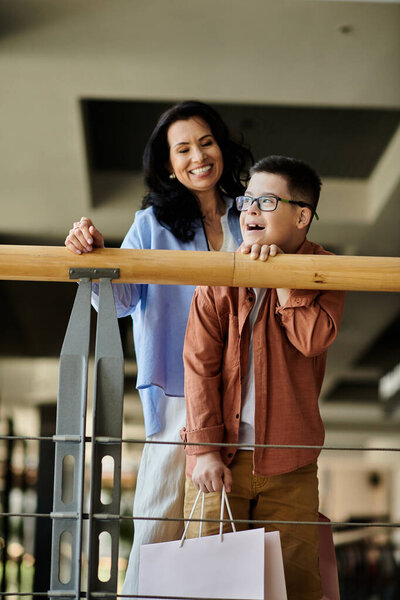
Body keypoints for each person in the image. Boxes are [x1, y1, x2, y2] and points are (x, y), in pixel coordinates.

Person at [64, 100, 254, 594]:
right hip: (176, 393)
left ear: (222, 146)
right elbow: (121, 300)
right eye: (183, 148)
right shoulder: (152, 223)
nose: (198, 156)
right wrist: (93, 249)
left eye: (206, 142)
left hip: (245, 390)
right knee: (160, 527)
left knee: (223, 536)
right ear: (169, 164)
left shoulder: (248, 214)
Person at [181, 155, 346, 600]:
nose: (250, 209)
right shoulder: (220, 272)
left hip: (292, 463)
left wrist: (281, 279)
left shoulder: (327, 269)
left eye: (266, 200)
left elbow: (313, 339)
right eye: (247, 199)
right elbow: (199, 365)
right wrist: (203, 450)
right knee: (212, 588)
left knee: (292, 587)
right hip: (220, 457)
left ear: (301, 216)